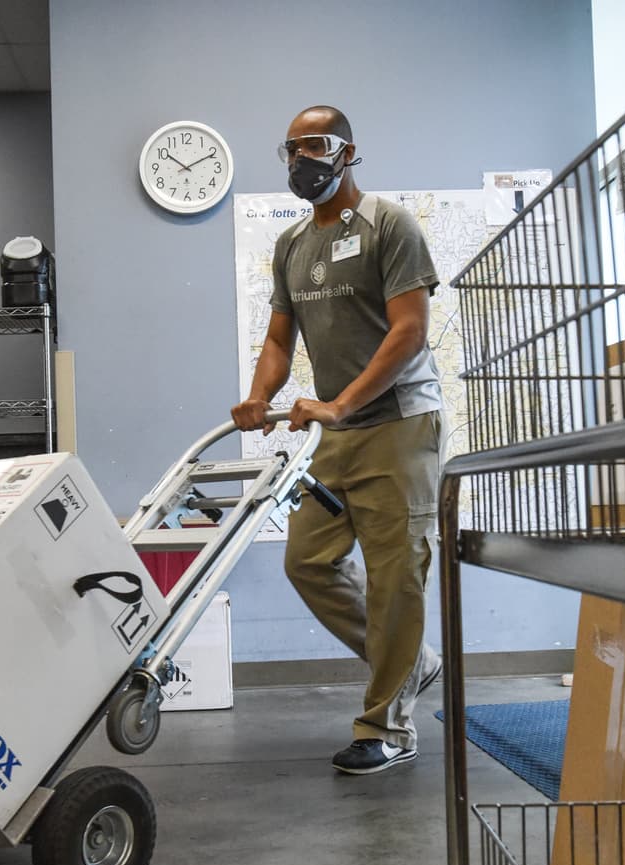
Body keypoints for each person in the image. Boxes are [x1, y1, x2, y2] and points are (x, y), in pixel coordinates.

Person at [231, 105, 444, 775]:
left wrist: (343, 401)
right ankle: (413, 665)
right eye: (290, 149)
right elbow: (277, 337)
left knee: (395, 580)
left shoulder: (390, 225)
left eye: (315, 145)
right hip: (335, 433)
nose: (301, 160)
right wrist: (260, 396)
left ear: (349, 151)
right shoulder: (292, 244)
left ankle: (388, 725)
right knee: (308, 561)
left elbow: (409, 331)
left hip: (398, 426)